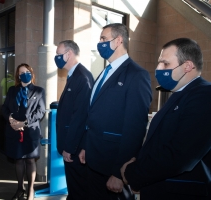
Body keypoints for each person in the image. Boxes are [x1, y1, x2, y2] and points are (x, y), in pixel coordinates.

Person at [121, 38, 211, 200]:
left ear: (188, 66)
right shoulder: (180, 94)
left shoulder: (205, 95)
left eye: (165, 64)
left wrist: (134, 173)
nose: (158, 69)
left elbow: (179, 155)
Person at [78, 23, 152, 199]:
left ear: (118, 40)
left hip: (112, 165)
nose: (100, 43)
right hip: (93, 159)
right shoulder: (105, 72)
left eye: (104, 38)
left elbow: (135, 127)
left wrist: (119, 172)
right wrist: (85, 147)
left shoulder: (137, 75)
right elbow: (94, 114)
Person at [55, 40, 94, 199]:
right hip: (73, 146)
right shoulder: (74, 76)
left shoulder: (82, 77)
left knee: (78, 190)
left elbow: (80, 117)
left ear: (68, 54)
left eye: (58, 54)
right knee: (74, 188)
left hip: (76, 149)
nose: (56, 57)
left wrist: (69, 147)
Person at [2, 63, 46, 200]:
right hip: (14, 130)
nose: (24, 74)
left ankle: (31, 189)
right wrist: (11, 120)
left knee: (30, 160)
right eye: (21, 72)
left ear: (31, 73)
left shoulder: (39, 91)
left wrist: (24, 123)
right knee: (19, 160)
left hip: (30, 131)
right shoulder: (12, 90)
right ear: (18, 76)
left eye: (27, 71)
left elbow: (41, 111)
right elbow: (4, 108)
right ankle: (20, 188)